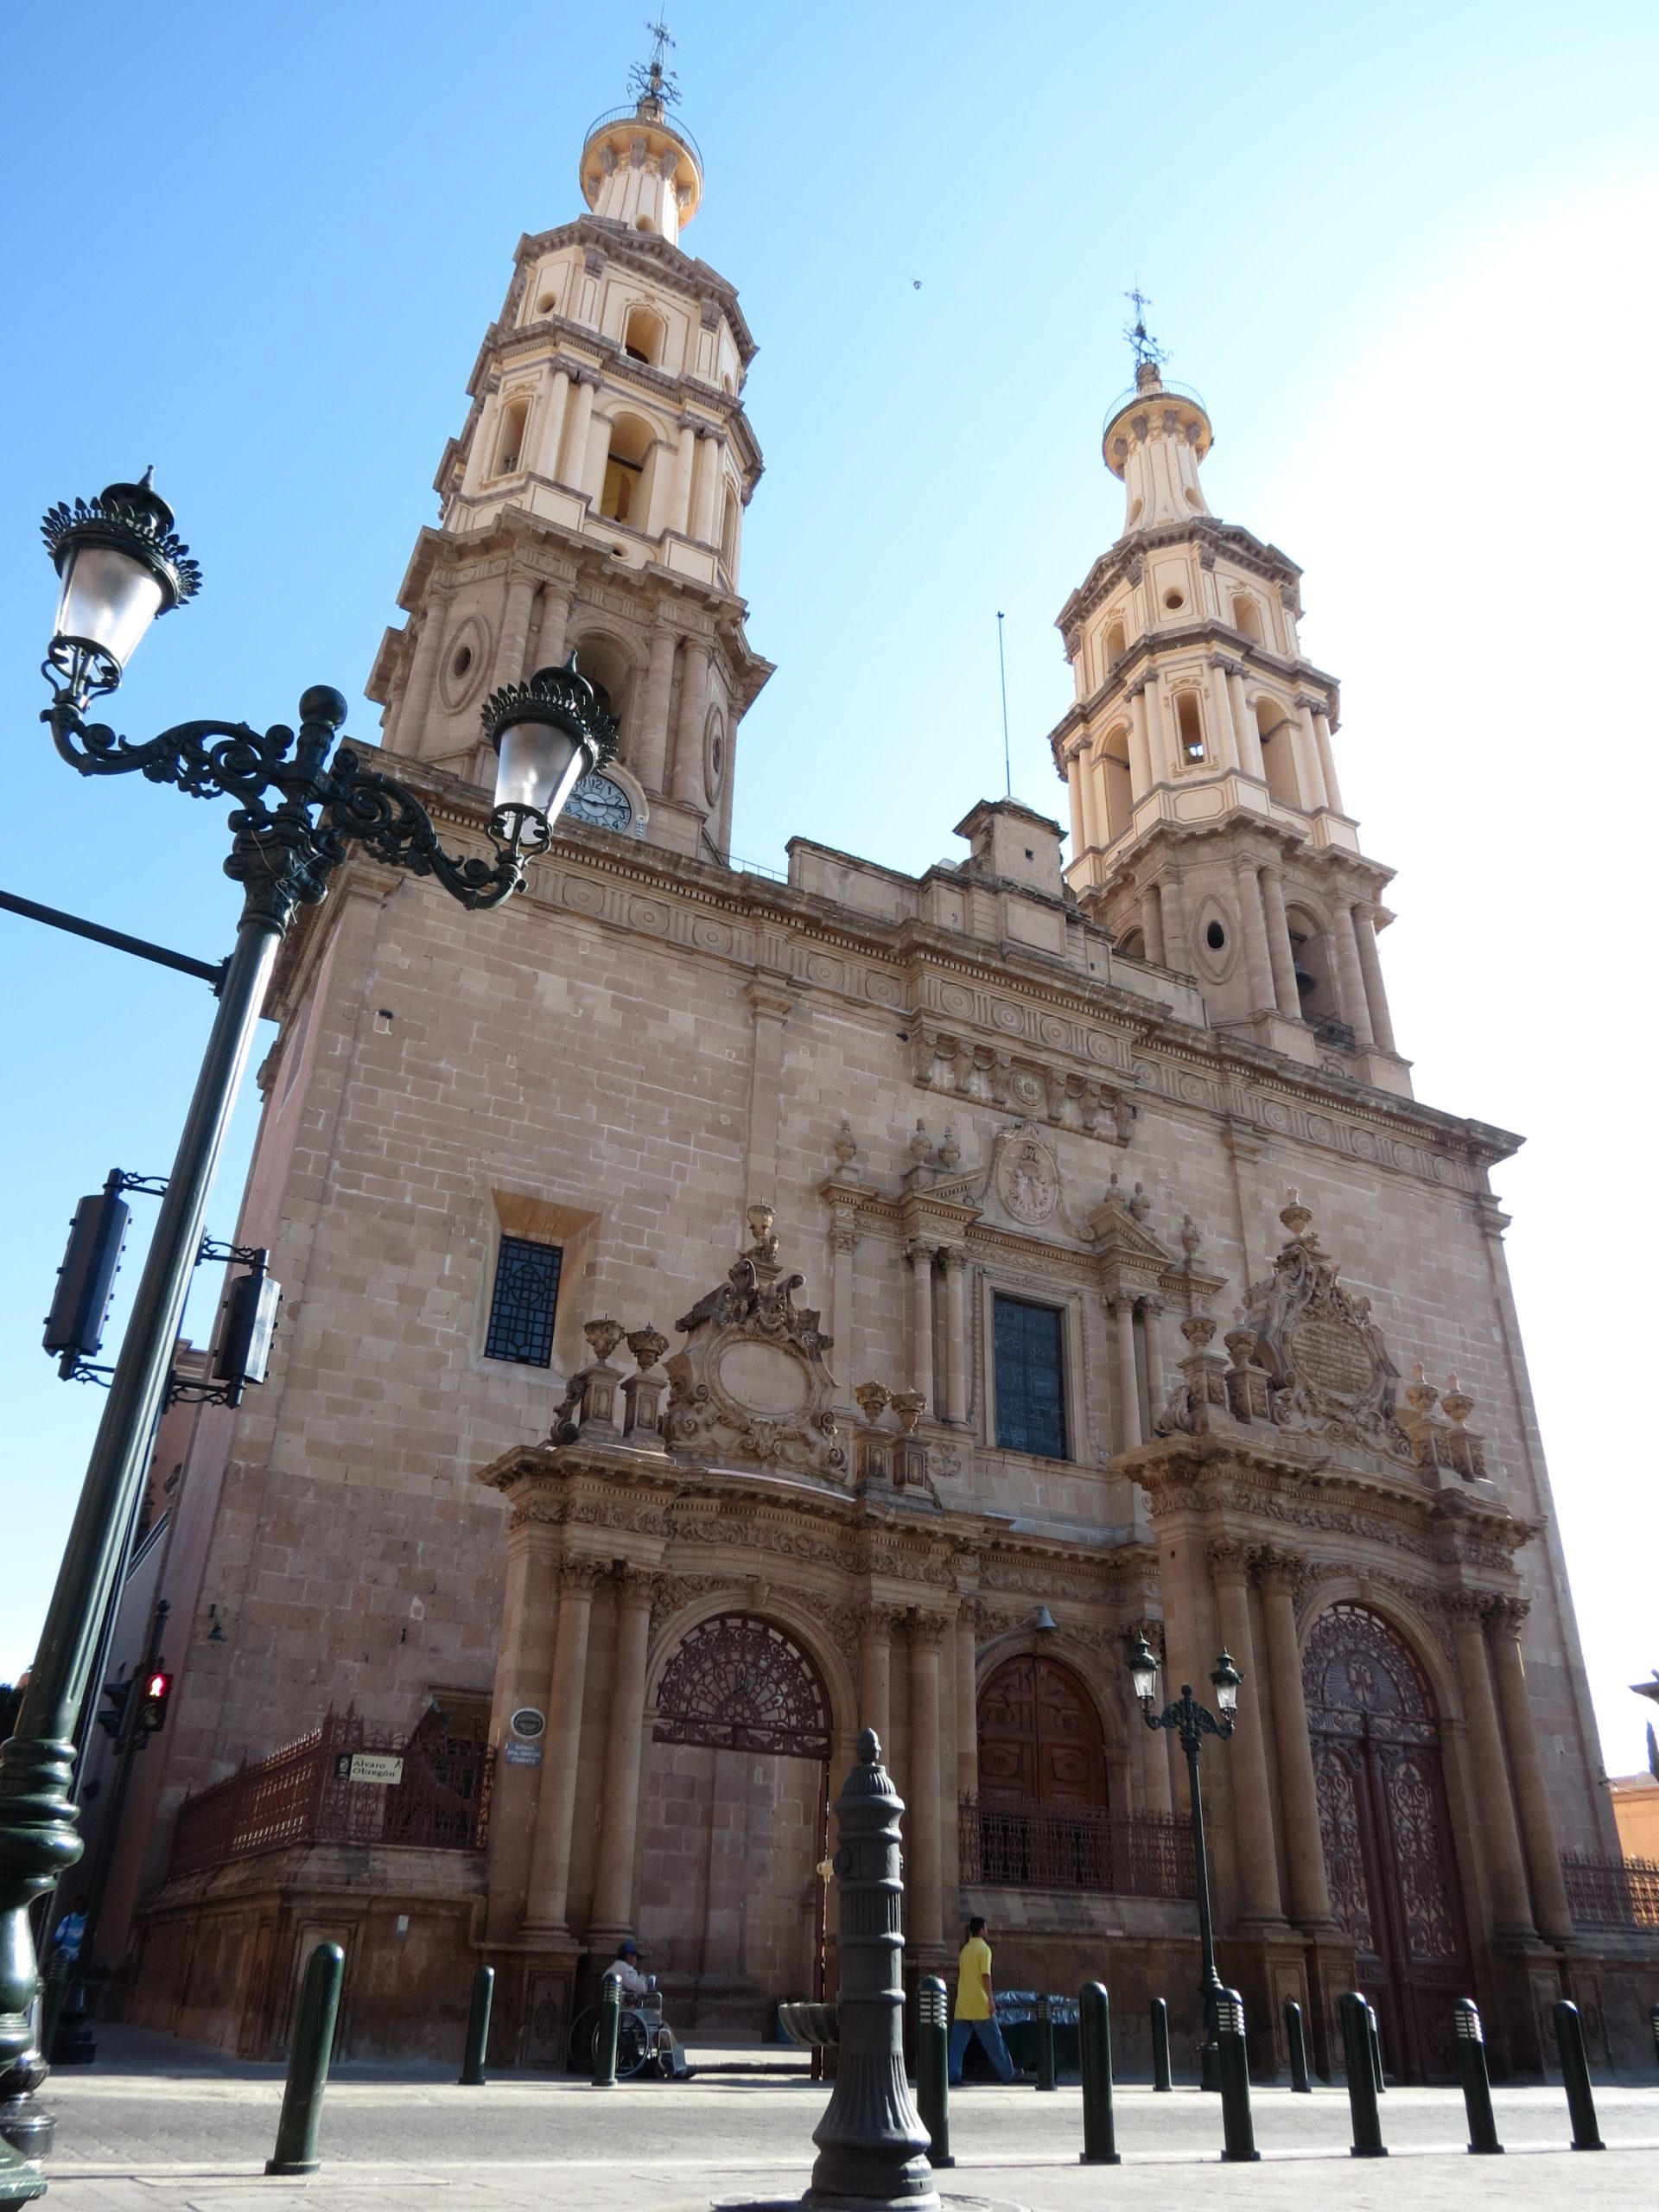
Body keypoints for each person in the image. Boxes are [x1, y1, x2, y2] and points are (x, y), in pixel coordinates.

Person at [948, 1916, 1016, 2084]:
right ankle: (1008, 2073)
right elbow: (985, 1975)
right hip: (980, 2003)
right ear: (980, 1930)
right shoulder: (984, 1950)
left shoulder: (964, 1951)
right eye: (986, 1929)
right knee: (994, 2041)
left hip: (963, 2003)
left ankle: (952, 2074)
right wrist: (991, 2000)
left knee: (957, 2045)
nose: (987, 1931)